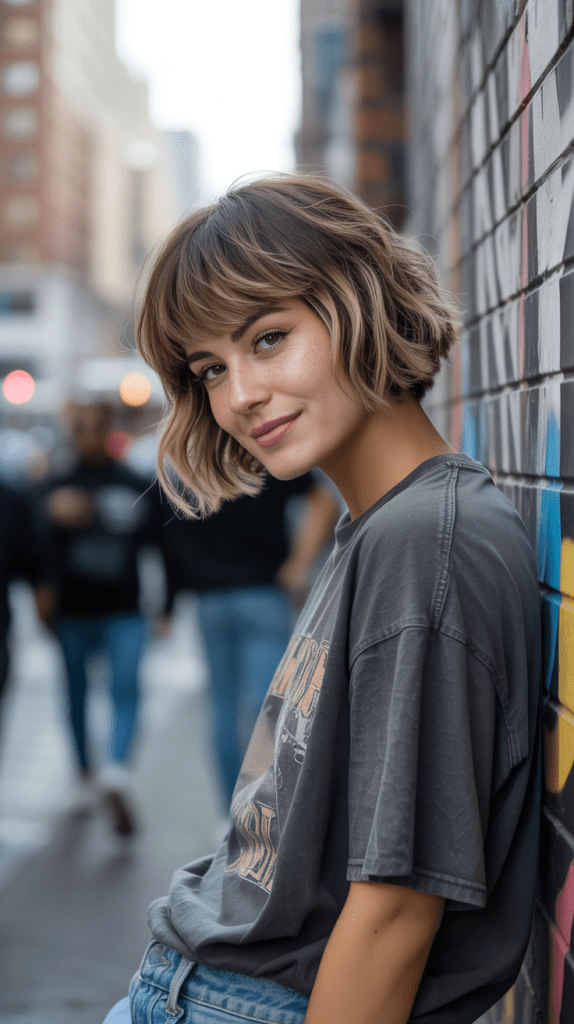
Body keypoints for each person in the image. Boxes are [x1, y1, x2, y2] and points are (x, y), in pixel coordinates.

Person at [104, 175, 541, 1024]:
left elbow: (393, 915)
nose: (238, 397)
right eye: (210, 370)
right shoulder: (382, 530)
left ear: (361, 301)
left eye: (269, 339)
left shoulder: (426, 545)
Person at [164, 473, 339, 809]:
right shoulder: (258, 454)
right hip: (263, 595)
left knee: (223, 707)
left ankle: (231, 815)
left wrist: (170, 603)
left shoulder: (189, 467)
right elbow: (325, 499)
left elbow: (169, 537)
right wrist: (299, 565)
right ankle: (266, 810)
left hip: (209, 600)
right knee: (270, 707)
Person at [40, 400, 175, 836]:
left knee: (126, 688)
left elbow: (164, 545)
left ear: (110, 429)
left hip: (125, 609)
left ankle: (115, 772)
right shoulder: (53, 484)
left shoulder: (135, 482)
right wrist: (49, 515)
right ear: (70, 432)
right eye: (79, 427)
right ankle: (83, 776)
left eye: (96, 426)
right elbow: (33, 549)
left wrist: (168, 605)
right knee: (75, 695)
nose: (88, 434)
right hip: (72, 610)